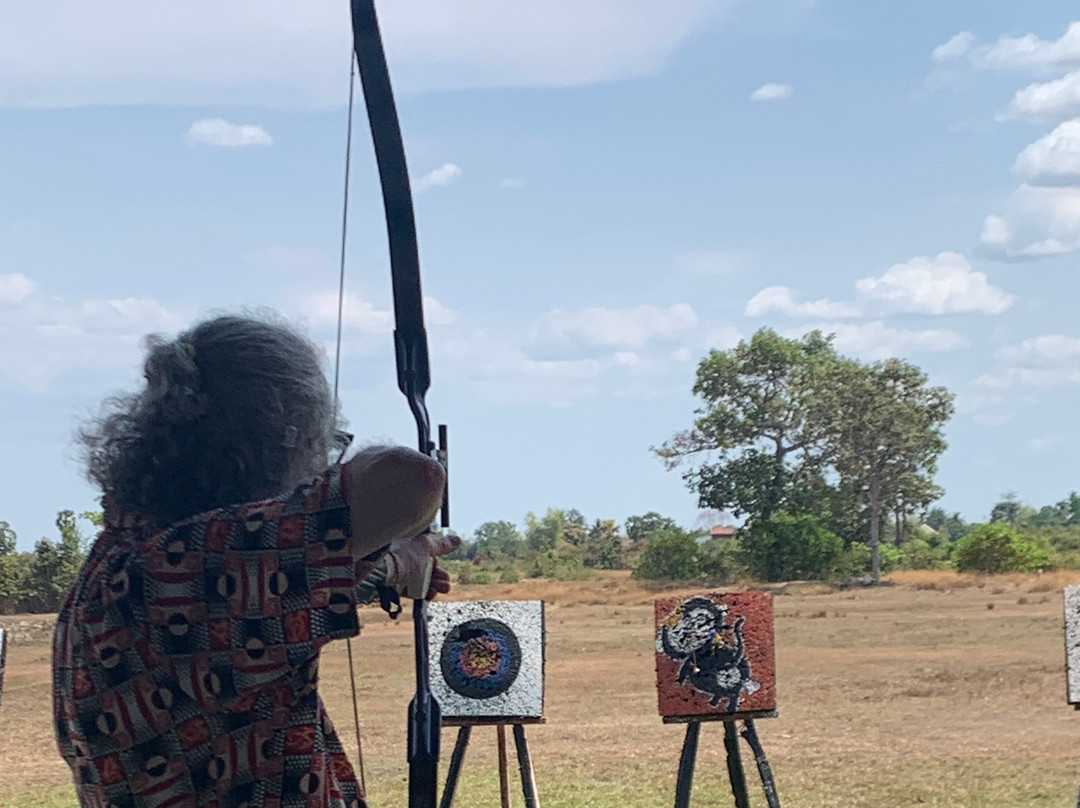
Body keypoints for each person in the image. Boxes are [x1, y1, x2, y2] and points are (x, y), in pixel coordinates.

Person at [52, 313, 459, 808]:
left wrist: (392, 565)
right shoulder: (191, 568)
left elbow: (244, 615)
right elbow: (410, 479)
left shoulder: (119, 567)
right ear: (280, 439)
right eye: (322, 443)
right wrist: (390, 555)